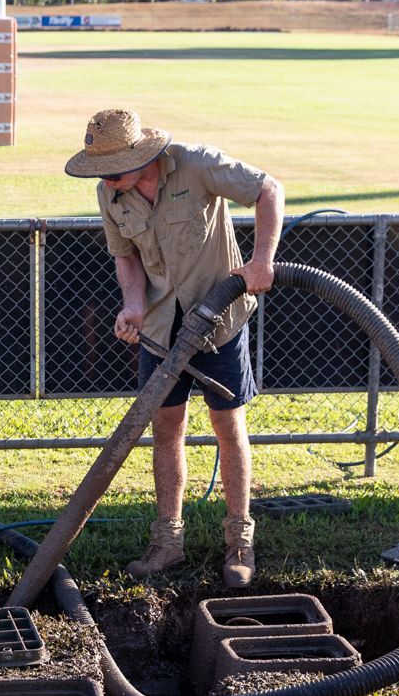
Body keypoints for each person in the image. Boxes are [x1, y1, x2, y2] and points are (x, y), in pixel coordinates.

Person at [64, 109, 284, 587]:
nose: (107, 181)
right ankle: (168, 542)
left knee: (227, 424)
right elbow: (125, 255)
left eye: (114, 171)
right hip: (162, 331)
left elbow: (269, 189)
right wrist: (133, 307)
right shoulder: (110, 192)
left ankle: (239, 542)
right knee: (166, 429)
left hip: (220, 319)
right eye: (101, 173)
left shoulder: (196, 165)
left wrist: (262, 259)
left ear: (141, 158)